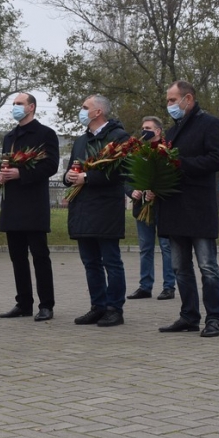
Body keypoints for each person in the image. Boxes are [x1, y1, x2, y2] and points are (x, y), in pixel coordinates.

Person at [155, 81, 219, 337]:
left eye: (173, 100)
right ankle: (188, 316)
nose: (169, 105)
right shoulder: (173, 131)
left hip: (198, 207)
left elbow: (218, 159)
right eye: (168, 101)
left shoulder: (210, 124)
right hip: (174, 208)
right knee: (179, 268)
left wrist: (180, 163)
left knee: (207, 267)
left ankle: (215, 318)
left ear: (188, 99)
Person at [64, 95, 128, 327]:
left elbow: (120, 172)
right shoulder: (81, 140)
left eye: (84, 107)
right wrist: (69, 176)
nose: (81, 111)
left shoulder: (118, 137)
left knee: (111, 261)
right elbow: (73, 168)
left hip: (106, 208)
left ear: (98, 111)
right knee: (90, 262)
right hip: (82, 208)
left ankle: (114, 308)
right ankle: (97, 306)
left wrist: (88, 177)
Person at [0, 92, 60, 322]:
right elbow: (3, 164)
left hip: (33, 205)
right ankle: (23, 303)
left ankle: (46, 305)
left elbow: (51, 165)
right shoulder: (9, 136)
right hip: (12, 204)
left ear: (31, 107)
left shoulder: (45, 134)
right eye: (13, 104)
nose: (15, 107)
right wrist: (0, 176)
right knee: (17, 257)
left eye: (19, 104)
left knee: (40, 256)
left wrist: (21, 173)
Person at [126, 116, 176, 302]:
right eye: (142, 127)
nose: (143, 131)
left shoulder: (167, 150)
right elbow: (127, 177)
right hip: (141, 207)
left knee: (166, 247)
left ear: (158, 131)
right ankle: (145, 286)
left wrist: (157, 190)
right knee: (145, 248)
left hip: (162, 207)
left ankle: (169, 286)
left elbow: (172, 176)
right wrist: (133, 192)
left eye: (147, 128)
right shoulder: (137, 151)